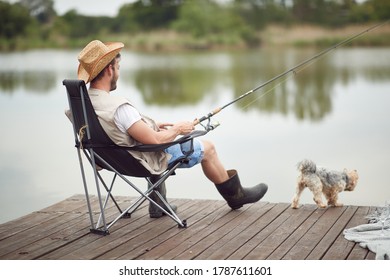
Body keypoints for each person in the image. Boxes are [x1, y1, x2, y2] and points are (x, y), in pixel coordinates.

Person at [76, 40, 268, 218]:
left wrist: (152, 125)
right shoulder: (120, 108)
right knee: (208, 148)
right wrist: (179, 129)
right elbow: (156, 141)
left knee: (157, 136)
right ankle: (237, 197)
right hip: (140, 160)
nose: (118, 72)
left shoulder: (85, 103)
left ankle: (158, 203)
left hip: (111, 160)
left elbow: (115, 131)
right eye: (118, 67)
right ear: (109, 69)